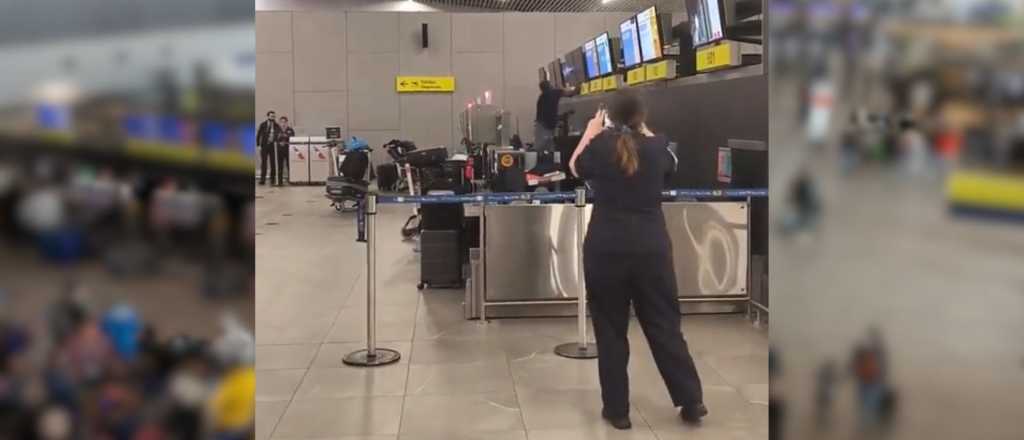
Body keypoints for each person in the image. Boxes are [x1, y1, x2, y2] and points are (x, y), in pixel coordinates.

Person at [569, 90, 706, 430]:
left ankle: (618, 411)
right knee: (664, 325)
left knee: (611, 329)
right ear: (641, 117)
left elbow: (574, 167)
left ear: (609, 117)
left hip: (606, 249)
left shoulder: (600, 146)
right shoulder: (658, 146)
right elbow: (670, 166)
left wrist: (592, 130)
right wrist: (643, 129)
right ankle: (691, 400)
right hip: (651, 250)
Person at [534, 80, 574, 152]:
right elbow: (570, 93)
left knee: (542, 147)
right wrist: (579, 86)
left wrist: (563, 116)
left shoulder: (541, 98)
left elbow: (547, 113)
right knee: (546, 147)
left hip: (541, 125)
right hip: (546, 126)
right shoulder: (554, 92)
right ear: (550, 86)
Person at [256, 110, 280, 185]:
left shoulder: (276, 125)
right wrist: (258, 145)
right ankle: (262, 179)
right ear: (268, 116)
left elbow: (278, 135)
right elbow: (258, 135)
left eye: (274, 116)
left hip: (273, 147)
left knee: (273, 163)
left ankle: (272, 179)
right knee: (264, 163)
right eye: (271, 116)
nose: (273, 117)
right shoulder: (263, 124)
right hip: (264, 146)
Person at [275, 116, 295, 186]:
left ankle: (291, 180)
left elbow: (292, 138)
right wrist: (280, 141)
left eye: (284, 122)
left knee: (289, 166)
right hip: (279, 151)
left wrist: (285, 137)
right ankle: (280, 182)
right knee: (280, 166)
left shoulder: (290, 130)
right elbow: (275, 139)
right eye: (281, 122)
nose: (283, 124)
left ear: (287, 122)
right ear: (279, 123)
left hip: (288, 150)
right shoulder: (277, 130)